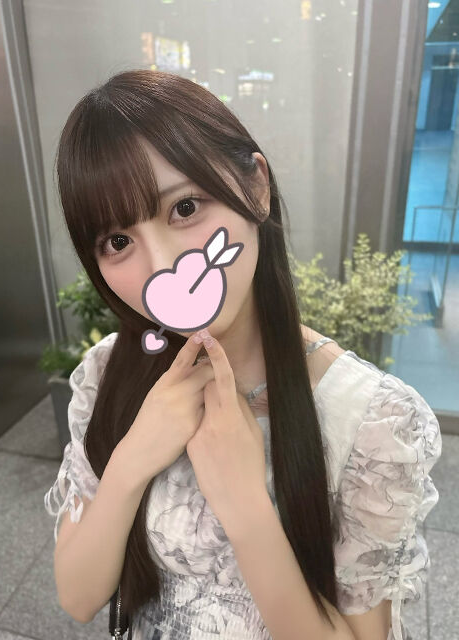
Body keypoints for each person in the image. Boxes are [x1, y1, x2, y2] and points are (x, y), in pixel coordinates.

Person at [44, 69, 442, 640]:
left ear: (255, 187)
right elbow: (79, 598)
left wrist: (246, 505)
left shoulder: (376, 422)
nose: (163, 268)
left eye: (185, 208)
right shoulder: (108, 375)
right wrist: (133, 460)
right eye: (119, 241)